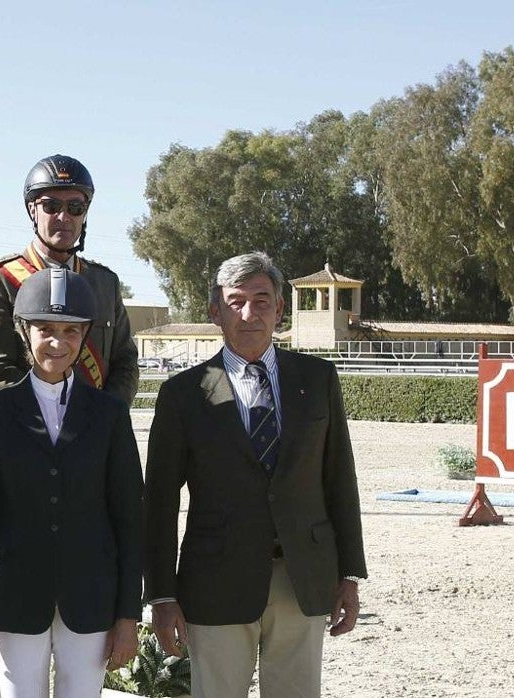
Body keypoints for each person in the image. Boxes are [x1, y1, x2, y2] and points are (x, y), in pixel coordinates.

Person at [143, 252, 367, 698]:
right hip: (215, 584)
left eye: (262, 300)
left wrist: (349, 573)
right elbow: (160, 502)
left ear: (280, 309)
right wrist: (162, 596)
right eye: (235, 301)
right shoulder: (182, 396)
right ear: (214, 312)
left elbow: (339, 480)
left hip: (301, 578)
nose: (249, 313)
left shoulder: (318, 379)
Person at [0, 268, 143, 698]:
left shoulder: (110, 414)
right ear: (24, 331)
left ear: (84, 336)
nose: (58, 343)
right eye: (45, 329)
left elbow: (129, 518)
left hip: (91, 596)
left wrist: (128, 614)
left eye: (70, 331)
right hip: (15, 595)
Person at [0, 154, 138, 405]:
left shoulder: (105, 283)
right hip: (29, 429)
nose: (64, 217)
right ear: (33, 209)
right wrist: (51, 420)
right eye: (51, 206)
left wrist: (106, 419)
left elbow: (125, 363)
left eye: (75, 208)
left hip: (96, 428)